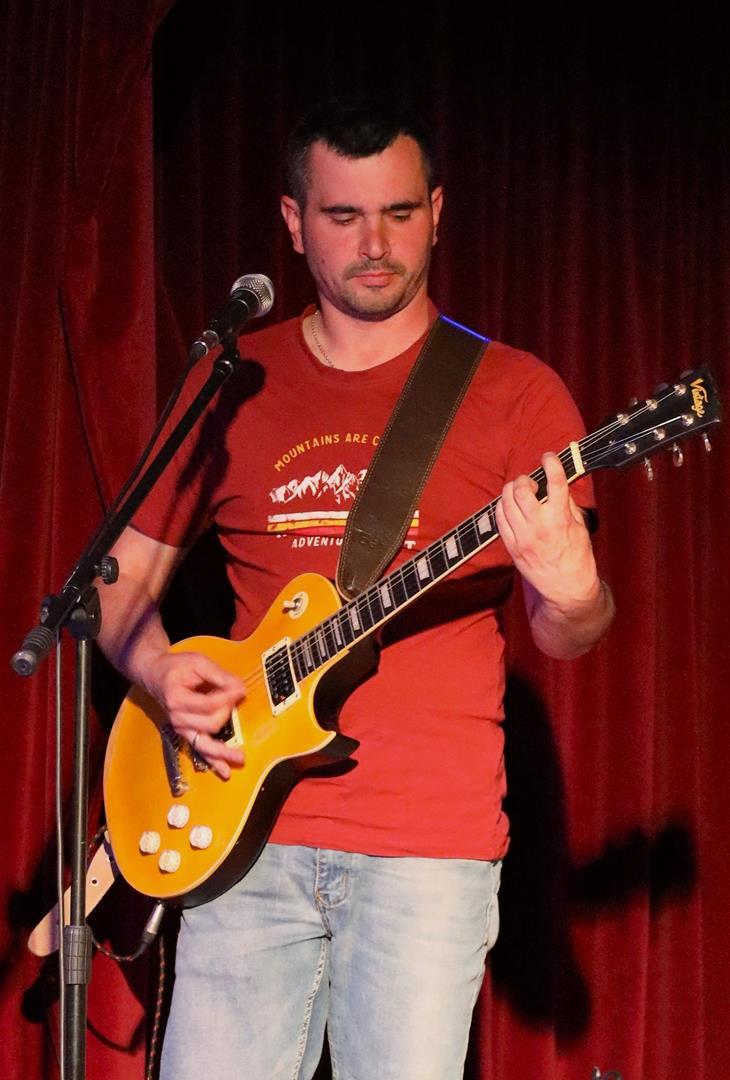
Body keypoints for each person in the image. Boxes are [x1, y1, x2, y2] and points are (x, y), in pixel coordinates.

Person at [98, 98, 614, 1079]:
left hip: (427, 848)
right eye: (343, 216)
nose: (375, 245)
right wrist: (160, 672)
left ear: (437, 213)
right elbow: (115, 586)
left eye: (399, 213)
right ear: (294, 223)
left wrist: (574, 591)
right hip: (239, 834)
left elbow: (568, 631)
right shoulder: (233, 382)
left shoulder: (514, 392)